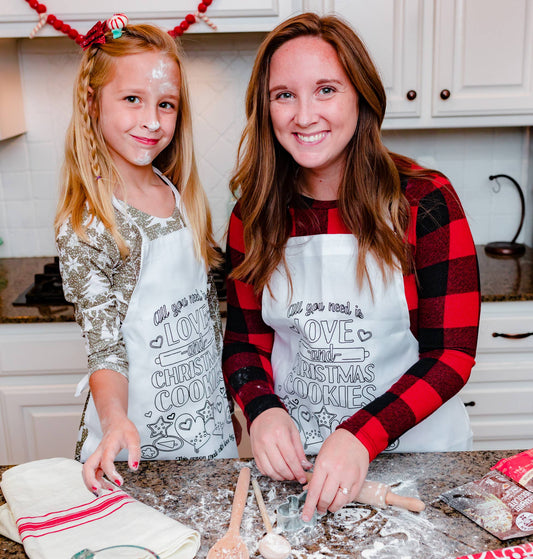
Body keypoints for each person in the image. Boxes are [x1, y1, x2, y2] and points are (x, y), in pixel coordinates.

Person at [223, 12, 480, 522]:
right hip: (303, 466)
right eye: (284, 95)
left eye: (325, 90)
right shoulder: (253, 215)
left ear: (360, 97)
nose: (303, 114)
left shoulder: (424, 200)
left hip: (417, 458)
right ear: (265, 108)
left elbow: (451, 355)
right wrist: (261, 408)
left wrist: (361, 433)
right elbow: (244, 344)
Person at [55, 20, 238, 494]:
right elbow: (106, 348)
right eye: (132, 99)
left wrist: (224, 404)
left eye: (166, 104)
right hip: (134, 442)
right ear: (93, 103)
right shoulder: (90, 223)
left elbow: (202, 320)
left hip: (205, 429)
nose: (152, 120)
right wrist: (115, 419)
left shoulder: (178, 194)